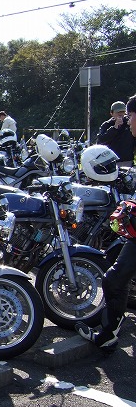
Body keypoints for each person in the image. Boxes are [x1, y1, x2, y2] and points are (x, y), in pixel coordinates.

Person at [75, 94, 136, 353]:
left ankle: (108, 334)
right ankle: (110, 328)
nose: (128, 120)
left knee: (114, 279)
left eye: (130, 115)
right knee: (113, 266)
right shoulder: (113, 129)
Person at [97, 101, 134, 167]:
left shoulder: (129, 123)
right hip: (111, 162)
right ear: (112, 113)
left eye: (122, 112)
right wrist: (114, 128)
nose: (120, 114)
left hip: (127, 161)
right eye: (118, 112)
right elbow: (101, 140)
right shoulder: (107, 125)